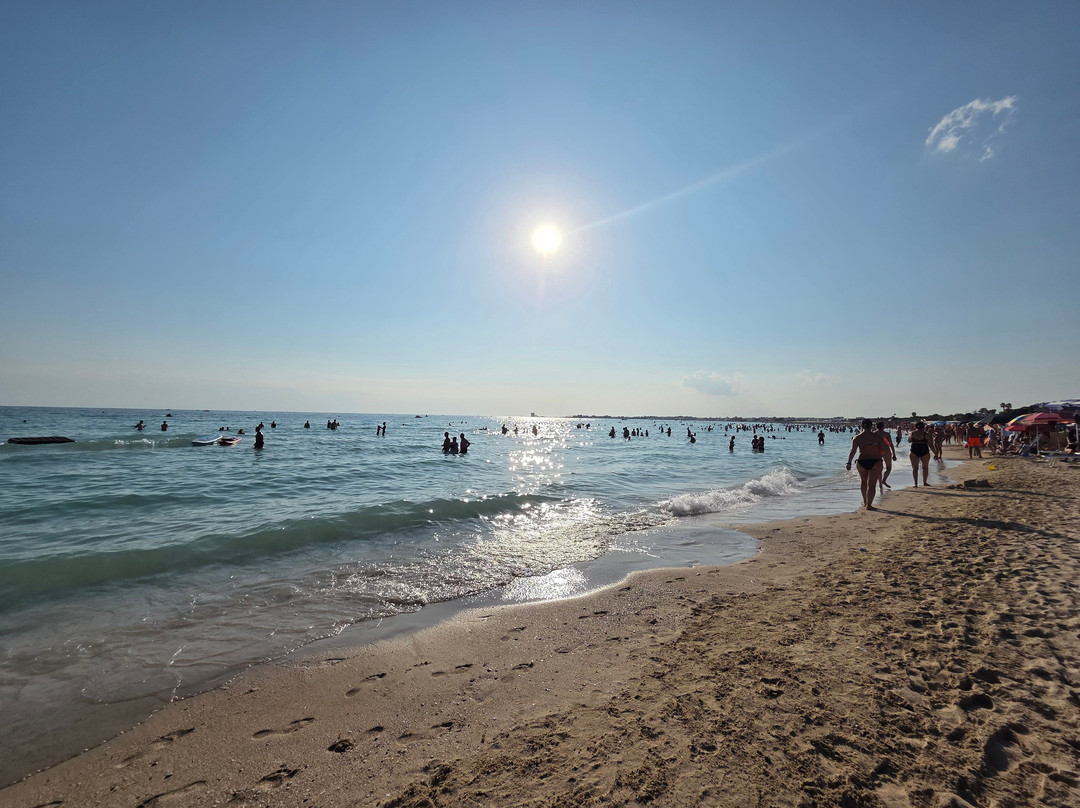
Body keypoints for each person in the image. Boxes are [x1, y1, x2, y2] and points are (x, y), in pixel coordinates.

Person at [846, 419, 888, 510]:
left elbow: (852, 451)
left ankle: (865, 501)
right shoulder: (877, 438)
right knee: (872, 484)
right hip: (875, 461)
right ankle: (869, 505)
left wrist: (849, 462)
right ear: (871, 426)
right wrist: (881, 455)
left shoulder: (857, 438)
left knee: (863, 482)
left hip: (861, 461)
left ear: (862, 426)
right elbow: (885, 450)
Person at [908, 421, 932, 487]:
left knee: (915, 468)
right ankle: (924, 482)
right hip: (924, 450)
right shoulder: (926, 434)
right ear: (924, 427)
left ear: (915, 427)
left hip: (914, 450)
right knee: (925, 467)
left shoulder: (912, 433)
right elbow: (931, 444)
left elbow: (909, 440)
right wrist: (935, 453)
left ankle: (915, 483)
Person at [876, 421, 897, 492]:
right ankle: (883, 480)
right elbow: (891, 444)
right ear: (883, 427)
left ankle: (880, 484)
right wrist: (894, 454)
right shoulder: (886, 434)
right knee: (888, 468)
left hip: (877, 452)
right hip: (886, 451)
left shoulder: (874, 434)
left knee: (879, 469)